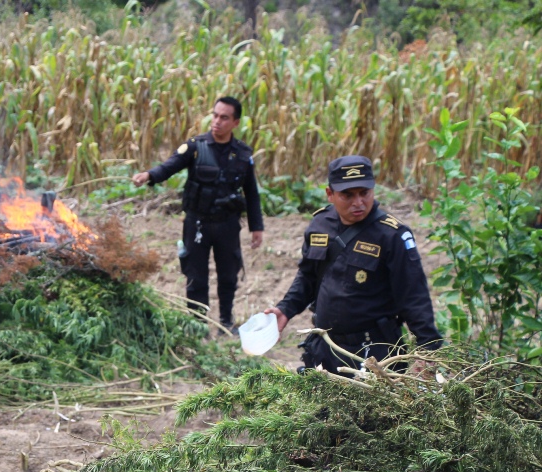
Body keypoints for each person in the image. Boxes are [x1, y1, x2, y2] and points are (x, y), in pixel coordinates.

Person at [264, 155, 443, 374]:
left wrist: (428, 352)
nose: (358, 202)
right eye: (347, 195)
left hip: (375, 354)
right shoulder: (320, 224)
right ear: (330, 194)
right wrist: (285, 309)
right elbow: (308, 276)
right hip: (326, 347)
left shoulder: (391, 235)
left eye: (364, 193)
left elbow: (414, 297)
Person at [132, 96, 264, 330]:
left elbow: (251, 193)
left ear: (235, 122)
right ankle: (197, 325)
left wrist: (257, 228)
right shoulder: (195, 147)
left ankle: (226, 322)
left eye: (224, 117)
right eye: (215, 115)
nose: (217, 121)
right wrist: (149, 175)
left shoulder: (242, 154)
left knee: (228, 276)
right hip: (198, 223)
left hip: (228, 224)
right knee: (196, 276)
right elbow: (169, 166)